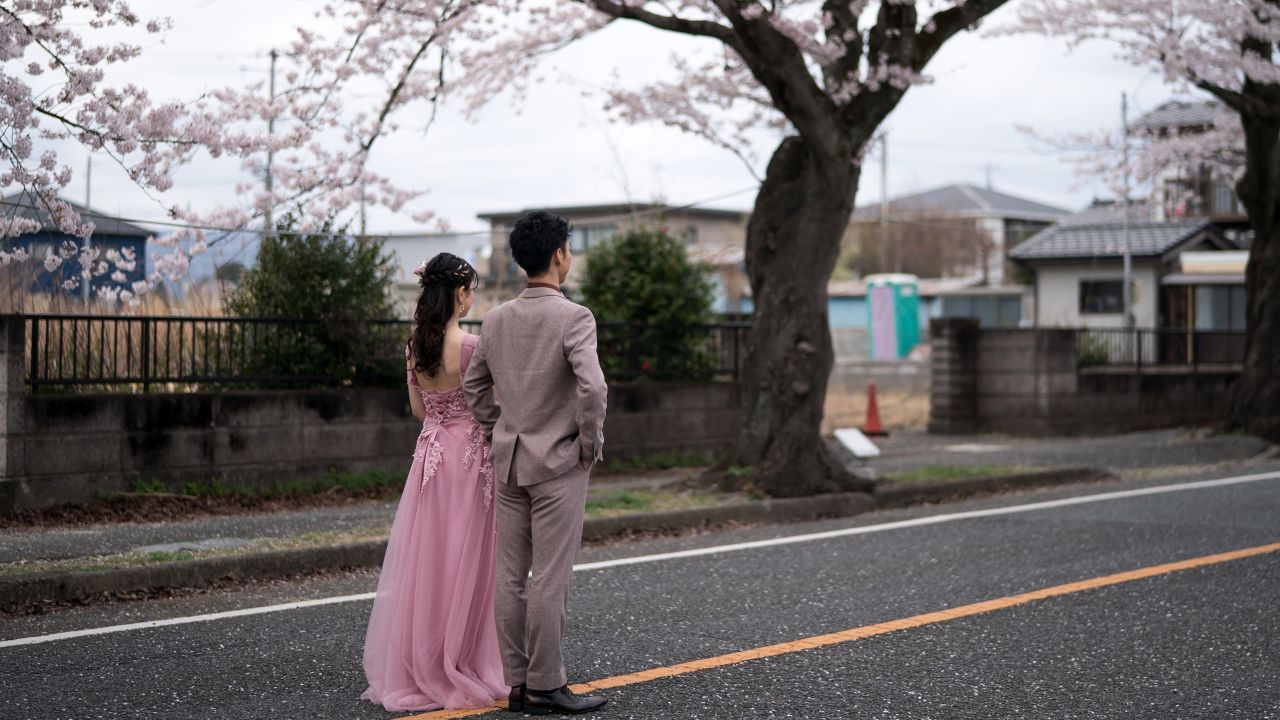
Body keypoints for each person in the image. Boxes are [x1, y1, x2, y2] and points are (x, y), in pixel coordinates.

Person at [464, 211, 609, 715]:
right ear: (558, 255)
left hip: (509, 460)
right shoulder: (575, 317)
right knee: (550, 575)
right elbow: (594, 386)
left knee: (510, 575)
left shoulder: (497, 318)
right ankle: (548, 684)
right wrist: (588, 445)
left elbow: (474, 386)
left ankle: (520, 684)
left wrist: (495, 431)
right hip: (558, 462)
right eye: (568, 247)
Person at [361, 253, 507, 712]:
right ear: (460, 293)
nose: (470, 300)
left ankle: (421, 660)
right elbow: (492, 406)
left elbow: (420, 411)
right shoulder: (471, 345)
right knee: (469, 560)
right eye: (470, 292)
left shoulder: (413, 347)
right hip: (469, 460)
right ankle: (460, 659)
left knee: (430, 560)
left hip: (431, 458)